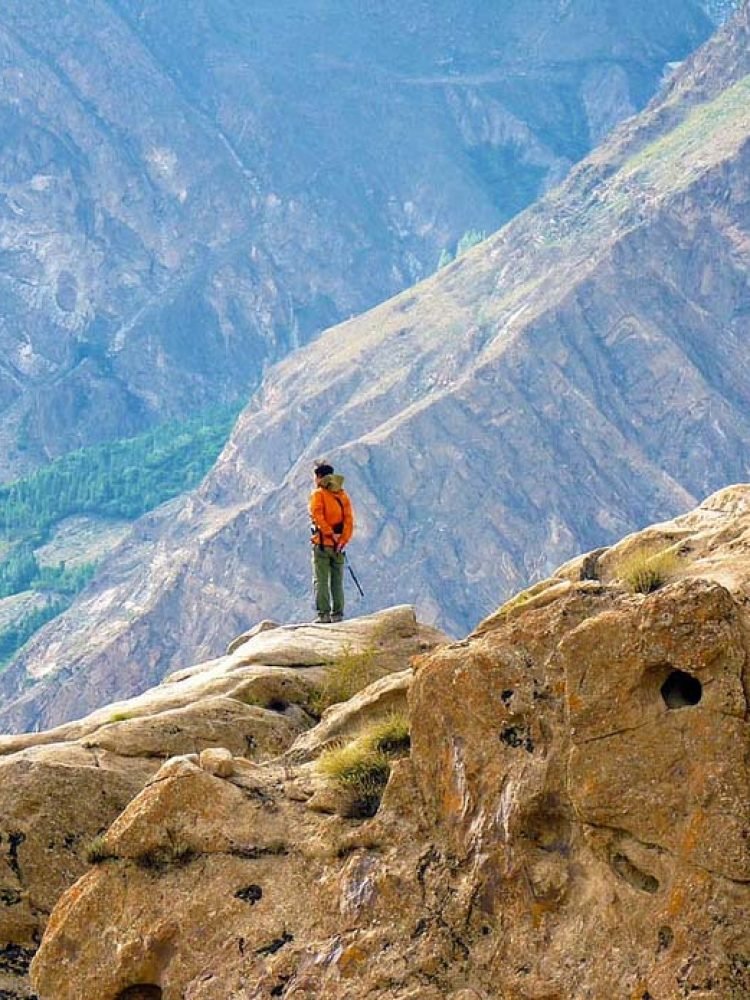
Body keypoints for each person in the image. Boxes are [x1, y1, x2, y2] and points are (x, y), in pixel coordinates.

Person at [309, 461, 354, 623]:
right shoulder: (342, 496)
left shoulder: (318, 495)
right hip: (339, 547)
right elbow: (349, 521)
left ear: (320, 477)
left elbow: (317, 517)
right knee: (337, 580)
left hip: (322, 545)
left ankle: (324, 614)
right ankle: (338, 614)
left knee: (320, 580)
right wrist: (343, 540)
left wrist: (329, 534)